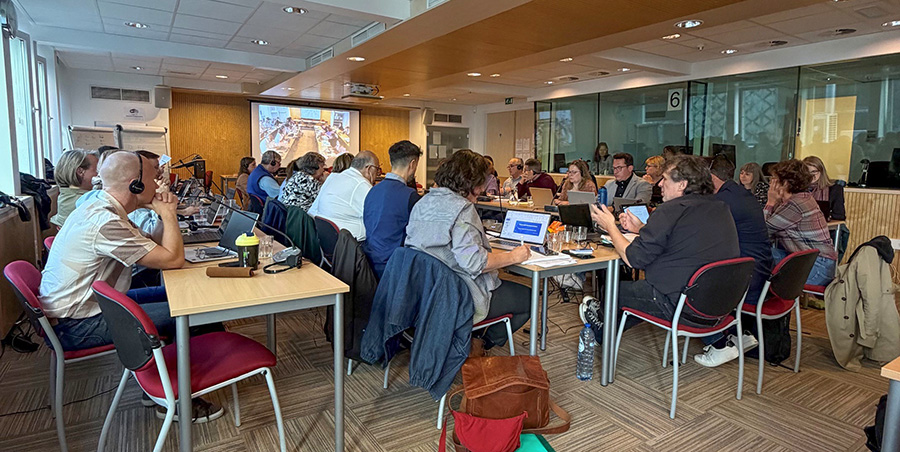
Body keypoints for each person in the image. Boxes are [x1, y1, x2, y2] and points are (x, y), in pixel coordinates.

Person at [40, 151, 224, 422]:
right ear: (135, 185)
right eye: (152, 176)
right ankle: (177, 399)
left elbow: (156, 246)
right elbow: (172, 260)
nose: (159, 182)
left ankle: (160, 385)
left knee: (179, 296)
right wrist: (169, 215)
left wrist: (161, 215)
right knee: (193, 313)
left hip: (90, 305)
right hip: (77, 325)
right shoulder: (105, 222)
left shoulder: (105, 206)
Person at [585, 155, 740, 342]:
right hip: (721, 306)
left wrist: (610, 226)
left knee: (614, 291)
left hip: (683, 306)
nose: (659, 184)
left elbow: (633, 258)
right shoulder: (720, 207)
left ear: (682, 184)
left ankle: (600, 329)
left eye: (665, 179)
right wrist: (642, 228)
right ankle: (603, 331)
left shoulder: (670, 209)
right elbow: (679, 237)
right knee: (637, 294)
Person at [405, 149, 532, 349]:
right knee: (528, 298)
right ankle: (481, 345)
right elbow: (475, 264)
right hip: (458, 295)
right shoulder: (462, 209)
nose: (482, 189)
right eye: (481, 182)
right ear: (469, 182)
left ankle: (467, 339)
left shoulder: (423, 202)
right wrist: (514, 256)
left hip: (424, 294)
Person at [693, 157, 774, 367]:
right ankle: (739, 335)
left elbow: (697, 234)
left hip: (745, 277)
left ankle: (719, 344)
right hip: (759, 268)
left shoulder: (722, 201)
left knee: (689, 281)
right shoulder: (741, 194)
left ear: (711, 178)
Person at [764, 159, 838, 286]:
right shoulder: (802, 198)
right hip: (818, 262)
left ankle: (760, 296)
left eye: (774, 179)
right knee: (764, 254)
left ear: (785, 183)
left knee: (758, 258)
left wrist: (770, 202)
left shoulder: (795, 204)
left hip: (818, 267)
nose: (770, 183)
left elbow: (763, 231)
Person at [363, 141, 422, 278]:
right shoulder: (410, 196)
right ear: (413, 164)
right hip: (395, 267)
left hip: (370, 262)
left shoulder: (372, 190)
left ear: (391, 161)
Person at [308, 151, 380, 241]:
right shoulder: (361, 184)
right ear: (369, 169)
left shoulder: (337, 177)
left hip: (328, 241)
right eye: (377, 169)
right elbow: (378, 217)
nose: (378, 174)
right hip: (352, 244)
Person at [50, 149, 99, 228]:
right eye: (97, 170)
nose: (99, 174)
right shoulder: (81, 201)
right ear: (80, 172)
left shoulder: (66, 195)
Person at [803, 155, 846, 221]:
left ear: (821, 172)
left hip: (826, 225)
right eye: (807, 172)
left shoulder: (835, 189)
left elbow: (840, 216)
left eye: (814, 172)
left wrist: (827, 216)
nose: (810, 175)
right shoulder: (797, 188)